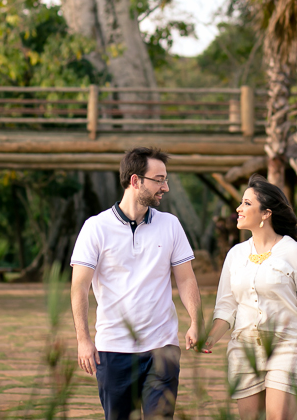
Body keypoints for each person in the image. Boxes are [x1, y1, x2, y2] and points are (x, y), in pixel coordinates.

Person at [70, 147, 202, 420]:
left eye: (166, 179)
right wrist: (83, 339)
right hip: (113, 349)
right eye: (159, 179)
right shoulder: (95, 227)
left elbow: (186, 277)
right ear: (135, 181)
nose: (165, 187)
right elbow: (79, 286)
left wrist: (196, 320)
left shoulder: (171, 225)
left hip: (162, 348)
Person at [202, 174, 297, 420]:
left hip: (287, 348)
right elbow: (227, 306)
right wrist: (210, 339)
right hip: (243, 350)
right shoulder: (235, 255)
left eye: (247, 203)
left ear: (266, 213)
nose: (239, 208)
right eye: (241, 202)